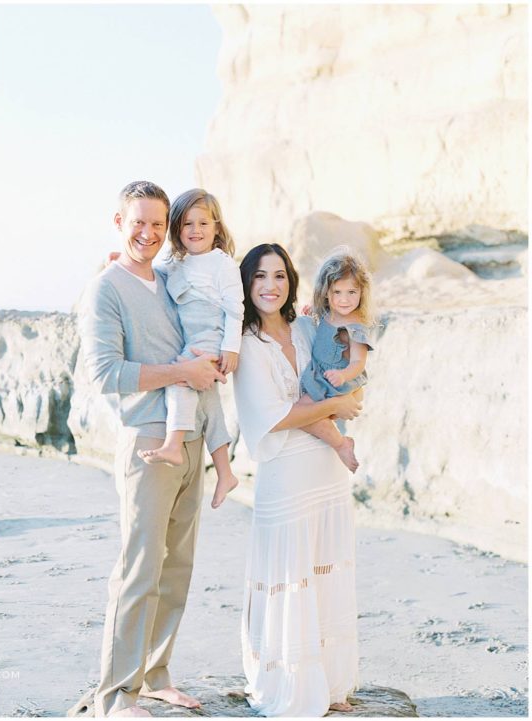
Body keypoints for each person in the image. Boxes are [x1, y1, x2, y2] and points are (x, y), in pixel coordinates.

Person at [81, 181, 225, 717]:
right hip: (147, 443)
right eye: (137, 222)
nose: (148, 233)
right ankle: (115, 697)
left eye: (157, 225)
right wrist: (181, 372)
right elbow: (105, 374)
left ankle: (156, 673)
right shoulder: (106, 288)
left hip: (191, 441)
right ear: (118, 222)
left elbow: (217, 309)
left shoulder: (167, 279)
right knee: (139, 570)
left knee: (177, 568)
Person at [232, 244, 362, 716]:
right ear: (247, 285)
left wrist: (341, 398)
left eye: (281, 275)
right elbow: (275, 414)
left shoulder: (306, 328)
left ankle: (328, 684)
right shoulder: (247, 342)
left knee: (325, 569)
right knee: (290, 575)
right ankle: (292, 686)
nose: (271, 285)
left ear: (292, 282)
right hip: (285, 473)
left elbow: (339, 370)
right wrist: (335, 408)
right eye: (261, 276)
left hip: (326, 468)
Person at [137, 188, 244, 510]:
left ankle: (173, 443)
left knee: (180, 379)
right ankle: (225, 472)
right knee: (210, 404)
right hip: (191, 337)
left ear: (216, 229)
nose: (195, 231)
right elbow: (152, 275)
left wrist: (231, 349)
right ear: (176, 230)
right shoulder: (176, 263)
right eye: (187, 224)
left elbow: (235, 308)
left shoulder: (221, 263)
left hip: (209, 335)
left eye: (203, 224)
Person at [298, 247, 375, 472]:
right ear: (326, 293)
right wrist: (313, 310)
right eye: (337, 292)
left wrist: (343, 375)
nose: (344, 300)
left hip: (335, 381)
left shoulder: (355, 326)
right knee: (305, 414)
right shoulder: (329, 313)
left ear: (362, 292)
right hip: (321, 374)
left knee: (303, 414)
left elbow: (358, 363)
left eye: (352, 292)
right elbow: (322, 318)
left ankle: (341, 444)